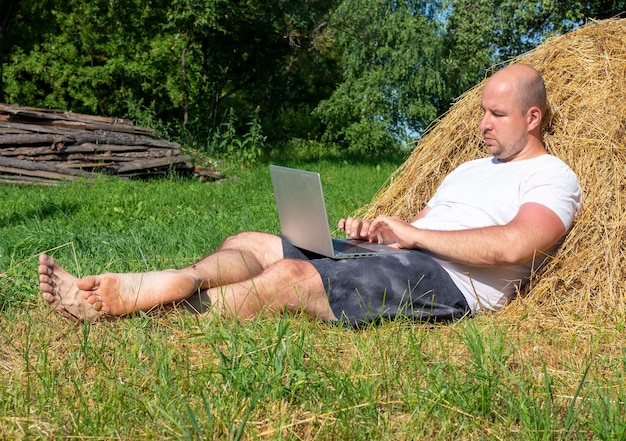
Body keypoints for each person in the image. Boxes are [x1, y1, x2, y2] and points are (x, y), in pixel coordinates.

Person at [38, 63, 581, 326]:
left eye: (497, 113)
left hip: (449, 284)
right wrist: (382, 232)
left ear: (532, 117)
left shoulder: (552, 176)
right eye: (482, 110)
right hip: (404, 256)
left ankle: (153, 310)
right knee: (252, 242)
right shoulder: (468, 169)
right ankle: (182, 280)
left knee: (293, 278)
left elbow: (515, 245)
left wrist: (413, 235)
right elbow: (428, 225)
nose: (483, 123)